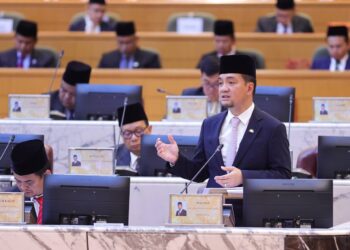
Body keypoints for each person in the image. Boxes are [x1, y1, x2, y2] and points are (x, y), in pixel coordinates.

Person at [156, 54, 291, 188]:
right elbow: (199, 173)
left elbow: (283, 174)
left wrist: (244, 177)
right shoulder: (210, 124)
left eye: (231, 82)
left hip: (250, 207)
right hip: (214, 206)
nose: (223, 88)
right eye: (220, 83)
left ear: (249, 88)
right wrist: (176, 160)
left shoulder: (272, 128)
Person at [10, 140, 52, 224]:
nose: (23, 187)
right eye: (18, 181)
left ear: (47, 175)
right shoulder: (10, 199)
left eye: (29, 182)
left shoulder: (64, 198)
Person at [196, 20, 264, 69]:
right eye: (217, 41)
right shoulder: (206, 58)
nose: (221, 45)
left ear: (233, 41)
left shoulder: (247, 59)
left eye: (225, 41)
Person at [116, 103, 152, 174]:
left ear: (149, 130)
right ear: (121, 134)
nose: (134, 138)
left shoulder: (165, 156)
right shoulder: (113, 157)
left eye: (139, 131)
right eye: (127, 133)